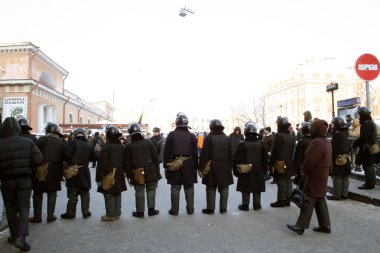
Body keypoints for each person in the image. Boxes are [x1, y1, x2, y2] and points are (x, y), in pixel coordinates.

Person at [0, 117, 43, 251]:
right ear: (18, 129)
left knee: (11, 208)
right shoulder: (27, 142)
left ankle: (14, 235)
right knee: (24, 208)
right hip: (24, 179)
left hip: (6, 180)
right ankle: (22, 238)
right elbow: (39, 159)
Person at [287, 119, 332, 235]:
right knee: (320, 199)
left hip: (314, 175)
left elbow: (311, 161)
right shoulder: (326, 141)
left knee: (308, 199)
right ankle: (325, 225)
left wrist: (304, 172)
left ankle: (300, 225)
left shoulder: (316, 142)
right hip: (323, 174)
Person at [29, 122, 68, 223]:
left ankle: (37, 216)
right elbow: (66, 157)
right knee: (52, 193)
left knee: (38, 193)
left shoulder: (42, 140)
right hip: (55, 169)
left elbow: (34, 153)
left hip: (40, 168)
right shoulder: (61, 142)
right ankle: (50, 216)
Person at [163, 112, 198, 216]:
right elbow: (195, 153)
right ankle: (190, 209)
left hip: (174, 163)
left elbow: (166, 151)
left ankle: (174, 210)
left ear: (177, 123)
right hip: (189, 163)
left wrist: (166, 165)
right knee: (189, 187)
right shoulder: (191, 136)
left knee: (175, 187)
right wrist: (196, 166)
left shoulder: (171, 135)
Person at [125, 122, 161, 217]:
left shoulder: (129, 146)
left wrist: (129, 175)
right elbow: (155, 158)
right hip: (151, 170)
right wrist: (157, 169)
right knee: (151, 190)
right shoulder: (148, 142)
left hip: (137, 171)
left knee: (139, 191)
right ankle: (151, 210)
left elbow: (127, 163)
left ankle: (140, 212)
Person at [199, 119, 233, 214]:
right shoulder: (226, 138)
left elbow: (204, 154)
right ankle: (223, 208)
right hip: (225, 165)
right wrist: (229, 167)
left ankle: (210, 209)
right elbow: (231, 155)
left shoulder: (209, 138)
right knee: (224, 187)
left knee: (211, 187)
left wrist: (201, 168)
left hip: (212, 166)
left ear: (211, 127)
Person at [60, 128, 94, 219]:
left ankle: (70, 213)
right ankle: (86, 212)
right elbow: (94, 157)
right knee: (85, 193)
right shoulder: (88, 144)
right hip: (84, 171)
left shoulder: (73, 142)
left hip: (73, 170)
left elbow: (66, 155)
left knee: (73, 193)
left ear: (75, 135)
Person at [233, 122, 267, 211]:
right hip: (258, 168)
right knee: (257, 187)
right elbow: (265, 159)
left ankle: (245, 205)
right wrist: (265, 170)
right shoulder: (261, 143)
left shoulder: (242, 144)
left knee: (245, 188)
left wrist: (236, 171)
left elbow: (237, 159)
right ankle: (257, 204)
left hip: (246, 168)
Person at [95, 126, 127, 221]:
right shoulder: (121, 146)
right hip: (119, 174)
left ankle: (110, 215)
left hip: (109, 174)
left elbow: (101, 164)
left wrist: (98, 178)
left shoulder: (107, 147)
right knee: (117, 193)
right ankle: (117, 213)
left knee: (109, 193)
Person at [270, 117, 296, 207]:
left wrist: (271, 164)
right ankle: (288, 200)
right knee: (288, 181)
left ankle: (281, 200)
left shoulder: (279, 136)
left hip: (280, 162)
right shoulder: (291, 137)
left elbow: (275, 151)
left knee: (281, 181)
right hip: (289, 161)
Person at [353, 106, 377, 189]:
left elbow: (363, 138)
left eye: (360, 114)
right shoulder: (370, 122)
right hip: (370, 147)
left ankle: (369, 184)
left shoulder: (366, 124)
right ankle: (371, 183)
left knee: (368, 166)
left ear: (363, 115)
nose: (359, 116)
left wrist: (356, 143)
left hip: (367, 148)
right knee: (369, 166)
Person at [328, 117, 351, 200]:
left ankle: (337, 195)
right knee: (345, 177)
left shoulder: (337, 134)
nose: (332, 125)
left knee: (337, 177)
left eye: (333, 123)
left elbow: (335, 148)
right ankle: (344, 194)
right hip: (346, 157)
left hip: (339, 158)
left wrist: (333, 158)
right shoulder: (345, 132)